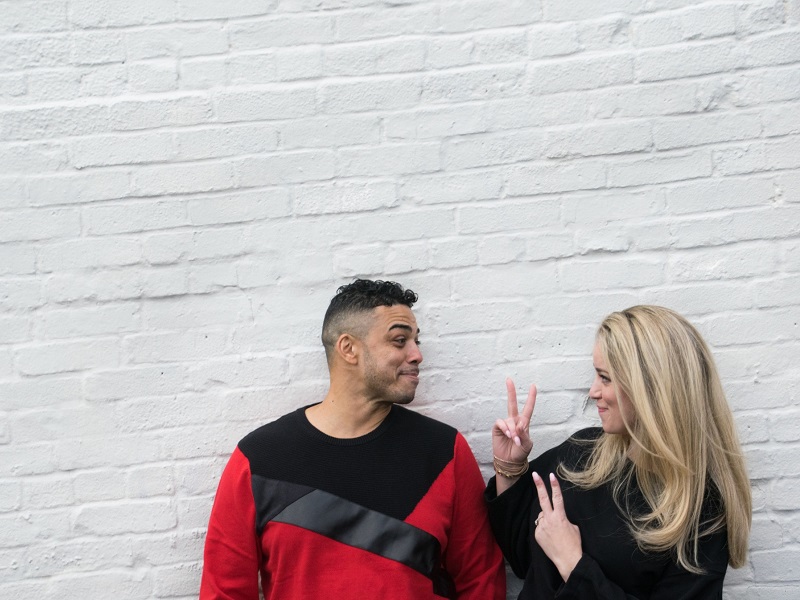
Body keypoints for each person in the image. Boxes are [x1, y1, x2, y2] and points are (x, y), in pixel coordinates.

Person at [201, 279, 505, 600]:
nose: (417, 355)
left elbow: (481, 581)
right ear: (349, 349)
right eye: (400, 340)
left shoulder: (444, 452)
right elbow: (224, 591)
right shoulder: (260, 460)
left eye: (416, 341)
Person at [485, 305, 751, 599]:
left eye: (605, 377)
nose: (592, 391)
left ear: (651, 387)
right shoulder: (580, 455)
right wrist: (508, 467)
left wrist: (574, 565)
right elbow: (522, 557)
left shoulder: (701, 514)